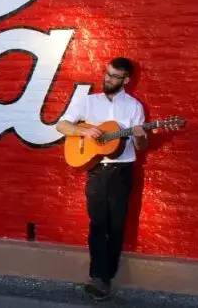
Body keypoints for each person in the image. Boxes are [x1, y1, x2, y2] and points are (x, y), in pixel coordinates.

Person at [55, 57, 148, 301]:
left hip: (122, 171)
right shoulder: (88, 102)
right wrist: (84, 130)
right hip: (96, 170)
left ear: (126, 80)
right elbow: (61, 125)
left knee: (116, 225)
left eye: (114, 76)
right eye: (107, 73)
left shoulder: (134, 107)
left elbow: (140, 146)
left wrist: (140, 136)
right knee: (97, 224)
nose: (107, 79)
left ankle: (107, 276)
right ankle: (97, 276)